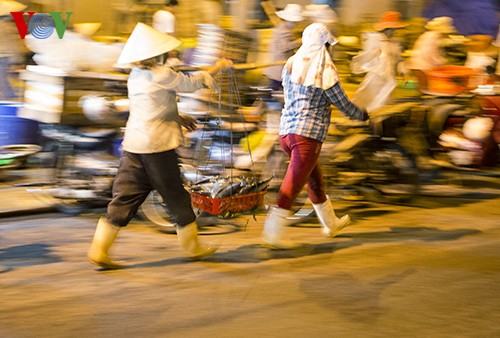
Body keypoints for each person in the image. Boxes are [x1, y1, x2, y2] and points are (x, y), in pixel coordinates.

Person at [87, 22, 233, 269]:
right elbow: (192, 83)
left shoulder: (136, 75)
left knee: (124, 197)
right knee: (176, 195)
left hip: (134, 146)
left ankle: (99, 249)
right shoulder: (162, 74)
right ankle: (192, 247)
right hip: (157, 148)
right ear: (157, 55)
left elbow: (153, 106)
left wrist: (179, 117)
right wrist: (218, 67)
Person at [262, 23, 369, 249]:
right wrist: (362, 115)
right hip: (307, 136)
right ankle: (273, 233)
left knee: (315, 181)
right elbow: (341, 102)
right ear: (325, 45)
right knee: (292, 185)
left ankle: (331, 224)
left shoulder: (291, 63)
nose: (331, 50)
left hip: (287, 132)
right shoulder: (325, 70)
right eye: (330, 45)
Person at [351, 11, 408, 112]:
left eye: (395, 29)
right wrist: (375, 54)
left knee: (383, 103)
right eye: (392, 29)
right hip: (376, 77)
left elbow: (399, 59)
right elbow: (366, 57)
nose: (393, 31)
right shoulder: (374, 40)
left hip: (390, 77)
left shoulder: (395, 43)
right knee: (368, 99)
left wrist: (403, 73)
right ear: (386, 28)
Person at [263, 3, 304, 91]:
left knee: (275, 92)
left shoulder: (281, 28)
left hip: (276, 68)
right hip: (278, 69)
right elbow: (284, 47)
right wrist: (299, 41)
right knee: (277, 92)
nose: (296, 24)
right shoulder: (284, 31)